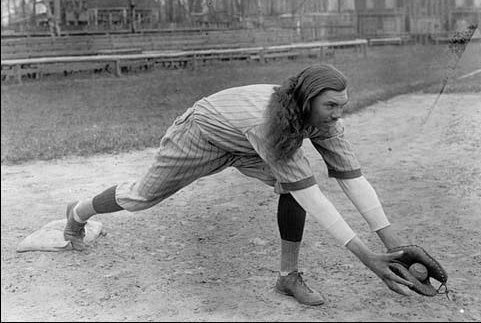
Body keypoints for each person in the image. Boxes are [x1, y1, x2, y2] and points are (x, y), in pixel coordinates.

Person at [64, 64, 416, 306]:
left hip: (247, 144)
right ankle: (77, 214)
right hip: (202, 135)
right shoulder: (272, 123)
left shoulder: (321, 115)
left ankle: (287, 277)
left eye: (342, 105)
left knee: (290, 186)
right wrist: (366, 256)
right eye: (330, 105)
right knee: (141, 197)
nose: (338, 113)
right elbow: (315, 197)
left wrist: (395, 249)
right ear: (307, 100)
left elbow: (352, 179)